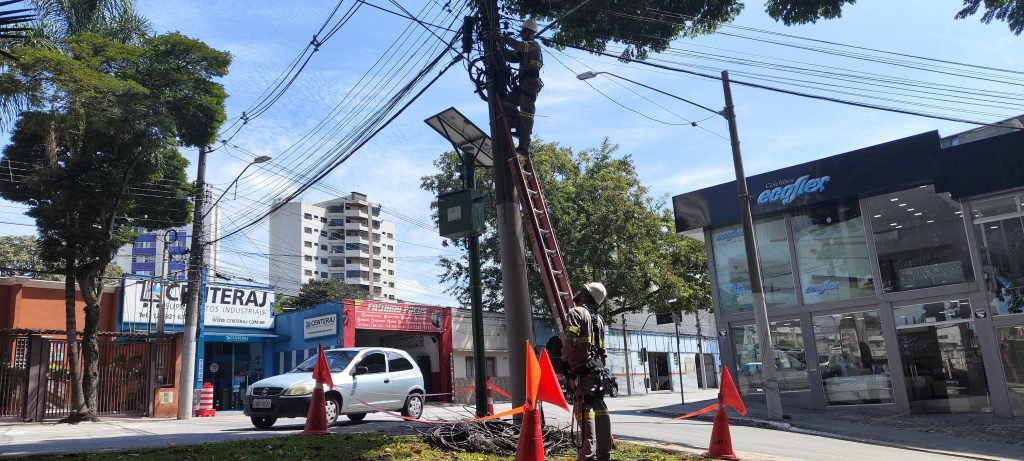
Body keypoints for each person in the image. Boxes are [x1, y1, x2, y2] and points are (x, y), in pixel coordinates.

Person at [562, 282, 612, 461]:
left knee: (584, 411)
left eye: (583, 290)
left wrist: (564, 362)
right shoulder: (599, 319)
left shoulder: (576, 313)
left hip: (582, 372)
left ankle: (587, 456)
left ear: (586, 294)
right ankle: (604, 454)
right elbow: (603, 349)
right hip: (598, 371)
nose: (579, 291)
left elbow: (570, 341)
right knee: (600, 409)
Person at [495, 18, 543, 155]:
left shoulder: (533, 45)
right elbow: (511, 57)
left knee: (526, 114)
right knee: (507, 103)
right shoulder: (523, 48)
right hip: (523, 84)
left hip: (531, 84)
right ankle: (521, 129)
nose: (521, 33)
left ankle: (524, 146)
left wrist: (505, 39)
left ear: (530, 32)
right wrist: (500, 46)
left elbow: (521, 47)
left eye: (523, 31)